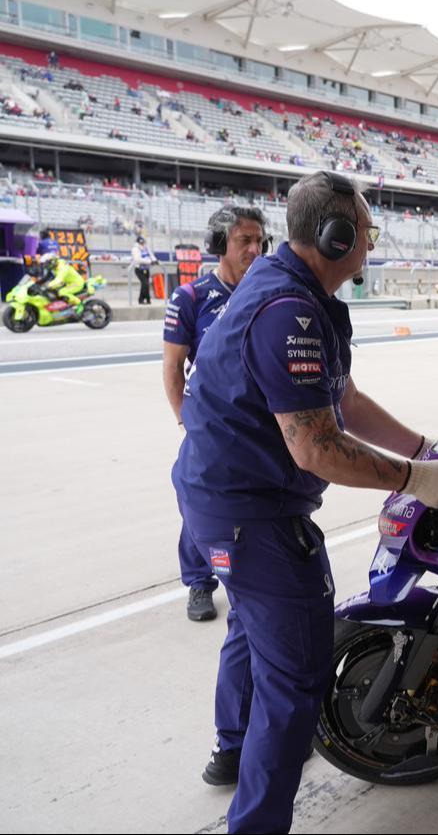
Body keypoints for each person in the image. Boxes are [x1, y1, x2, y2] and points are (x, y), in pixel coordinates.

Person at [172, 171, 438, 833]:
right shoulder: (289, 311)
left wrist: (426, 449)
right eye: (366, 233)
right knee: (295, 683)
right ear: (336, 238)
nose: (370, 245)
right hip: (252, 515)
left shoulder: (301, 293)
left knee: (254, 632)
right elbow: (315, 446)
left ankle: (233, 750)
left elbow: (345, 401)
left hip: (223, 500)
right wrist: (415, 479)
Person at [162, 206, 268, 622]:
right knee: (197, 502)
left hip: (256, 423)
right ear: (219, 245)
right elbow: (173, 367)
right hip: (209, 425)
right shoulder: (190, 298)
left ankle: (247, 577)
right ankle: (199, 582)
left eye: (260, 241)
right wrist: (186, 422)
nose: (255, 249)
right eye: (245, 241)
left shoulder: (266, 289)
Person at [132, 235, 155, 304]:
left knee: (146, 284)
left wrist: (154, 260)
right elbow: (138, 259)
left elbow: (151, 255)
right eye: (141, 242)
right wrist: (149, 261)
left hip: (146, 269)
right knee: (145, 283)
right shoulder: (135, 249)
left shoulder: (146, 248)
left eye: (143, 242)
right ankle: (141, 299)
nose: (143, 243)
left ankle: (148, 300)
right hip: (139, 269)